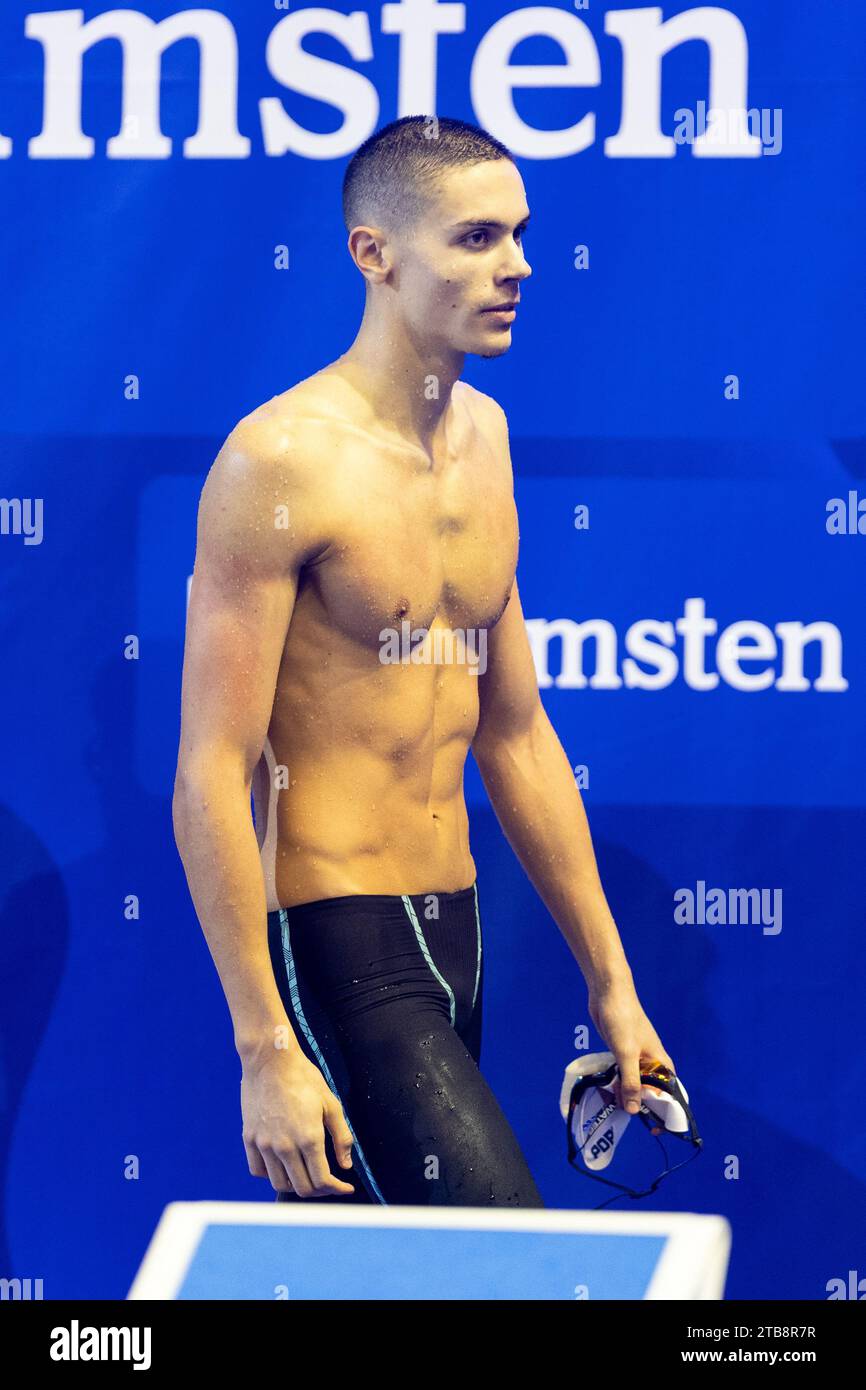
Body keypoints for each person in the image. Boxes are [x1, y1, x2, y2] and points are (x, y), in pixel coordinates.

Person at [172, 115, 674, 1206]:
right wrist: (263, 1047)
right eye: (477, 238)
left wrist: (611, 985)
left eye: (520, 235)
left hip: (458, 925)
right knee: (497, 1253)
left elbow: (515, 733)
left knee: (404, 1275)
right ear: (374, 253)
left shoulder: (484, 441)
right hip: (337, 933)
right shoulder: (279, 461)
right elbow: (211, 769)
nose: (517, 267)